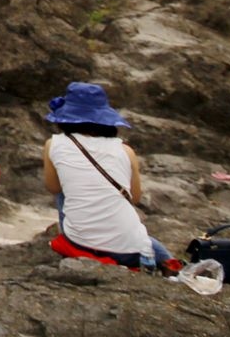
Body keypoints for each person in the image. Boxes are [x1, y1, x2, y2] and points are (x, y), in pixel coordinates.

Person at [41, 82, 174, 271]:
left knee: (64, 190)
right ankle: (171, 263)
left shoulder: (53, 144)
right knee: (139, 237)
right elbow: (134, 198)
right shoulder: (126, 151)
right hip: (131, 252)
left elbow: (53, 188)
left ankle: (87, 234)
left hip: (80, 243)